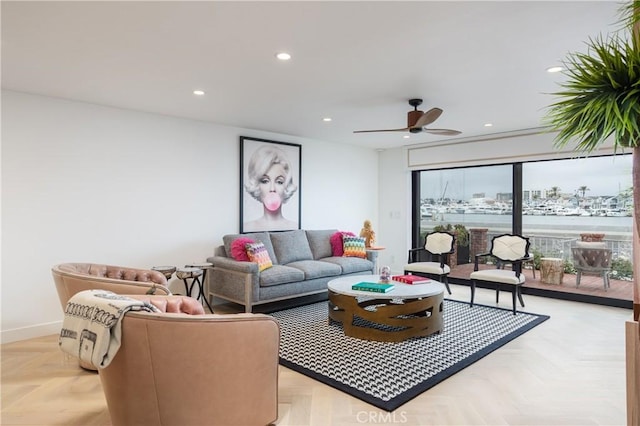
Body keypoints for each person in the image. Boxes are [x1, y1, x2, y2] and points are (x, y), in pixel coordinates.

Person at [243, 145, 298, 232]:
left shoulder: (296, 227)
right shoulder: (248, 227)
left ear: (286, 185)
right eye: (265, 181)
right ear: (257, 185)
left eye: (279, 182)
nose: (272, 189)